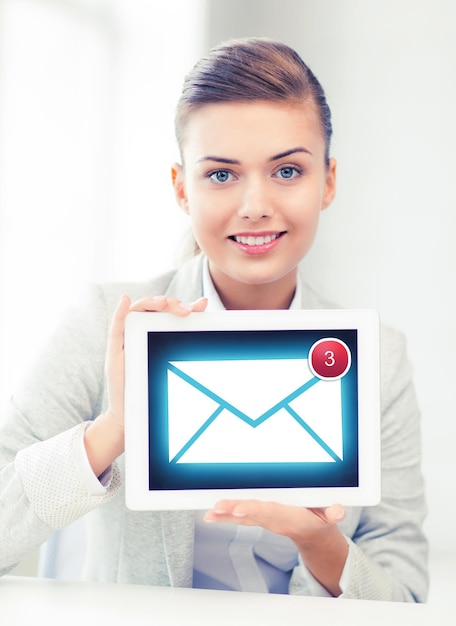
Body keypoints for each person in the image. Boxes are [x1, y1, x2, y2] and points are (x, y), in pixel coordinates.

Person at [0, 37, 428, 601]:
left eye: (287, 171)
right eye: (222, 175)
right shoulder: (109, 324)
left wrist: (319, 541)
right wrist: (115, 430)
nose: (254, 204)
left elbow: (406, 590)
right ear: (182, 188)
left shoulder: (378, 356)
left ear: (327, 180)